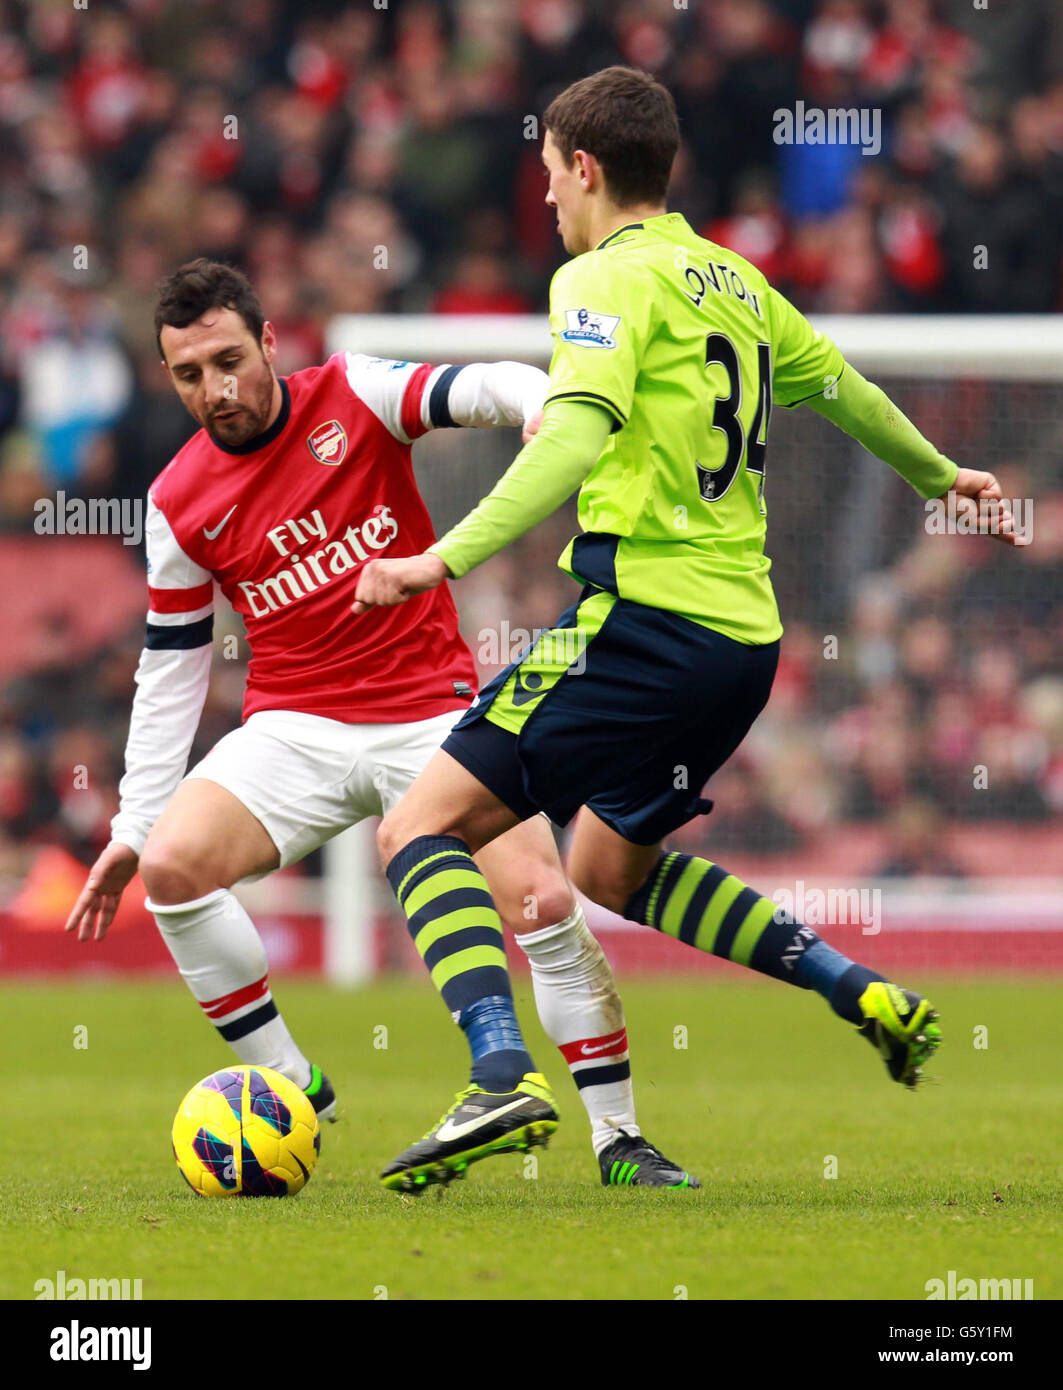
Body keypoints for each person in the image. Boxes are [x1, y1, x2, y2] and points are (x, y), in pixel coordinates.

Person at [352, 67, 1020, 1191]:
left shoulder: (599, 278)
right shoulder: (736, 282)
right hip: (738, 646)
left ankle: (499, 1074)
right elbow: (846, 389)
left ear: (584, 167)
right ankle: (855, 987)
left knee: (416, 826)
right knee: (608, 866)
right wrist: (942, 474)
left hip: (640, 619)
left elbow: (568, 438)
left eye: (550, 172)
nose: (548, 198)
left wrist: (440, 556)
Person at [64, 257, 698, 1194]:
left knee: (546, 903)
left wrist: (538, 405)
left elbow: (478, 386)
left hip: (429, 716)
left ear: (271, 342)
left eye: (229, 360)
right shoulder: (174, 502)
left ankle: (619, 1141)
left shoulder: (355, 390)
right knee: (172, 869)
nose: (216, 390)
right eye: (188, 374)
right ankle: (290, 1085)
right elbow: (171, 672)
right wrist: (131, 824)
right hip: (292, 727)